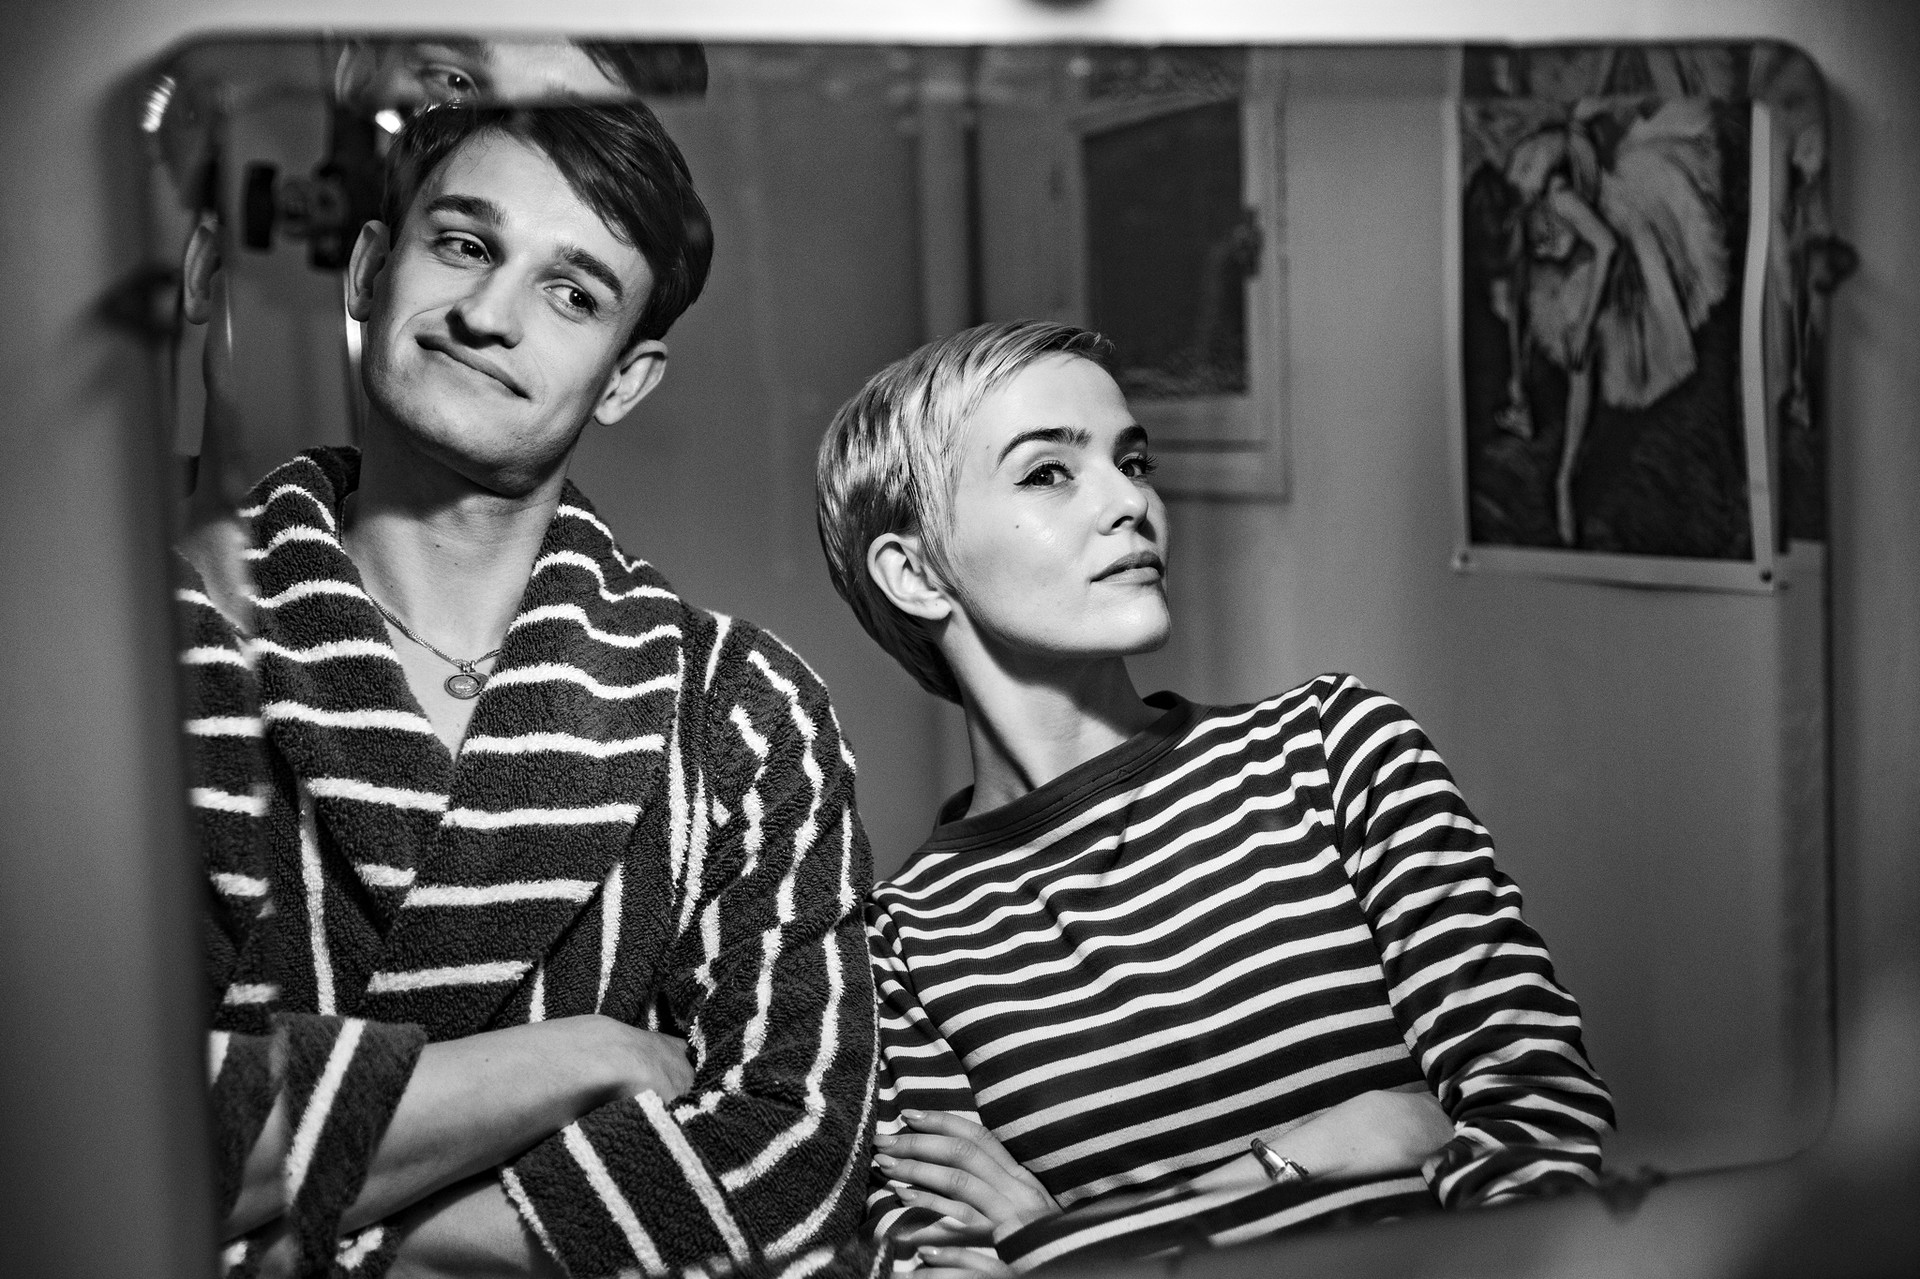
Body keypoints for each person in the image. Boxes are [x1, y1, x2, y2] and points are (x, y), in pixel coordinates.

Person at [179, 100, 879, 1279]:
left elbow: (786, 1160)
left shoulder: (744, 714)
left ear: (624, 380)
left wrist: (314, 1243)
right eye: (463, 244)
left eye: (574, 295)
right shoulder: (140, 643)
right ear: (370, 269)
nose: (489, 315)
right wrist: (577, 1059)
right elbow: (92, 1128)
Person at [814, 320, 1616, 1275]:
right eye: (1048, 473)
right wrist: (1315, 1155)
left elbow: (1542, 1136)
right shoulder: (899, 949)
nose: (1132, 502)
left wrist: (1055, 1238)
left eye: (1132, 461)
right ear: (914, 573)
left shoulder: (1335, 754)